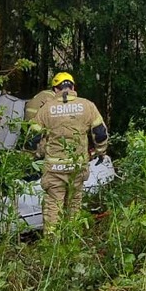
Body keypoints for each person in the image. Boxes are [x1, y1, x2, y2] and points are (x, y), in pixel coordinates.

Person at [25, 73, 109, 232]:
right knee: (74, 206)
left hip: (54, 170)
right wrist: (100, 152)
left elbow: (32, 139)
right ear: (73, 87)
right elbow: (100, 133)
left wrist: (31, 157)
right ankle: (72, 239)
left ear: (55, 89)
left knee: (52, 209)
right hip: (77, 167)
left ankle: (51, 246)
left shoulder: (46, 109)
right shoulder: (87, 106)